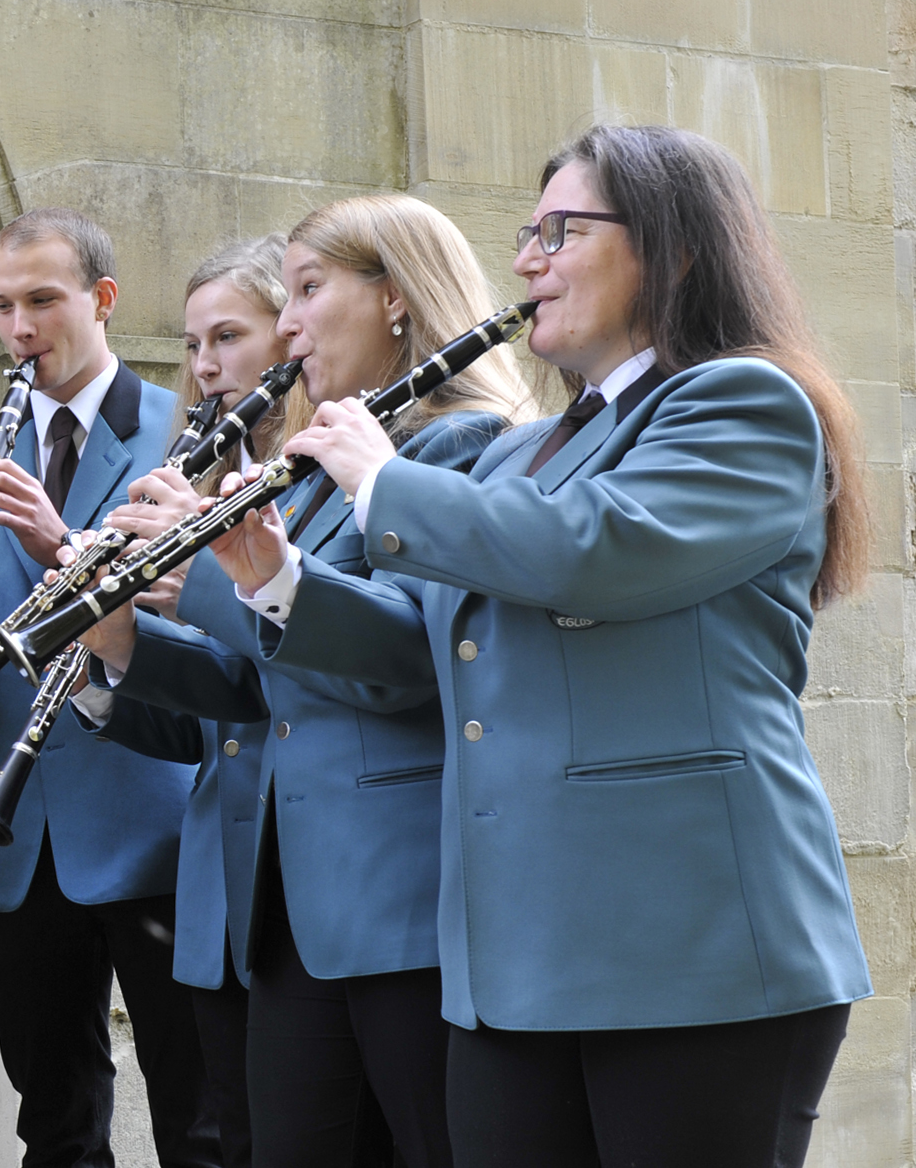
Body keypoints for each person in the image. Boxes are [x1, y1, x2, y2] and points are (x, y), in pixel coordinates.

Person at [221, 125, 871, 1167]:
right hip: (510, 967)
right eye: (526, 234)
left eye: (559, 231)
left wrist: (381, 479)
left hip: (688, 954)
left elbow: (597, 549)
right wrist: (273, 576)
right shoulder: (521, 448)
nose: (524, 261)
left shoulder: (742, 402)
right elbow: (419, 652)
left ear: (673, 247)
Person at [85, 195, 532, 1168]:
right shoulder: (322, 466)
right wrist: (111, 634)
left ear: (397, 300)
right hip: (288, 909)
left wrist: (206, 571)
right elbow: (261, 681)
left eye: (306, 290)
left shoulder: (455, 444)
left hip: (398, 900)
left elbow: (405, 663)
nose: (287, 323)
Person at [0, 207, 219, 1167]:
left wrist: (55, 540)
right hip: (16, 832)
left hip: (149, 821)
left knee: (198, 1117)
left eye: (43, 300)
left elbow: (208, 638)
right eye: (3, 306)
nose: (19, 327)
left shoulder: (186, 432)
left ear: (103, 300)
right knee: (55, 1123)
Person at [71, 234, 307, 1168]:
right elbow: (206, 723)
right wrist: (105, 651)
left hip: (302, 866)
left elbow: (295, 672)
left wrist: (195, 590)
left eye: (228, 337)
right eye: (193, 343)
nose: (206, 367)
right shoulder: (202, 471)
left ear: (288, 335)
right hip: (224, 877)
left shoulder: (313, 473)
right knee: (224, 1134)